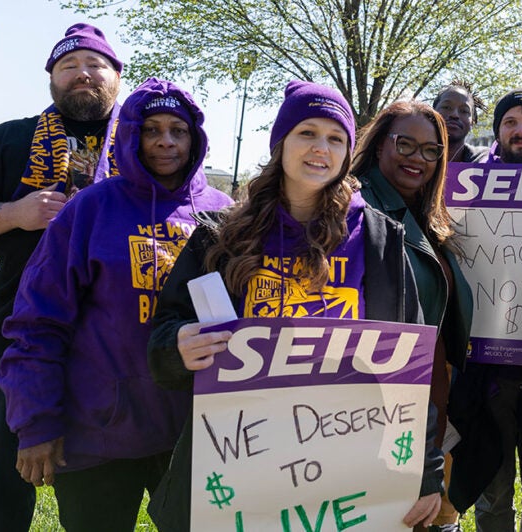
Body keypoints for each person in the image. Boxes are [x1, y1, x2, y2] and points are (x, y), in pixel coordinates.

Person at [144, 80, 444, 531]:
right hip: (239, 460)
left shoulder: (380, 240)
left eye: (336, 138)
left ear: (347, 152)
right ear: (281, 142)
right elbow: (167, 331)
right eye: (307, 132)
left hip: (346, 466)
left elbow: (410, 370)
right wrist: (177, 346)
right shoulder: (219, 235)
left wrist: (427, 470)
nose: (320, 148)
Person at [0, 77, 233, 530]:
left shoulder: (221, 213)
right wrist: (36, 422)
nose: (166, 141)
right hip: (100, 432)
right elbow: (37, 321)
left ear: (195, 138)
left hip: (196, 436)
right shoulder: (88, 209)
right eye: (151, 129)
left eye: (178, 130)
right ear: (128, 134)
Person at [0, 23, 123, 531]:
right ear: (51, 79)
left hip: (113, 346)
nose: (82, 74)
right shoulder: (9, 139)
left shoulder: (144, 143)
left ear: (116, 76)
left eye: (95, 64)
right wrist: (13, 214)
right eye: (68, 66)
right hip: (13, 337)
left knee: (101, 507)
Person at [352, 100, 474, 532]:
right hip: (376, 403)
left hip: (427, 397)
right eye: (406, 144)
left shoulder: (425, 213)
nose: (418, 158)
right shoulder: (356, 208)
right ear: (379, 143)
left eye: (430, 150)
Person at [451, 87, 522, 532]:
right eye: (510, 122)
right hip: (487, 368)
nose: (520, 130)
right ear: (496, 133)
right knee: (493, 493)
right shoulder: (464, 189)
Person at [433, 80, 488, 163]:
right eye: (447, 107)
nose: (455, 115)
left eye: (464, 111)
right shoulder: (412, 155)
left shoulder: (486, 161)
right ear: (432, 113)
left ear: (473, 122)